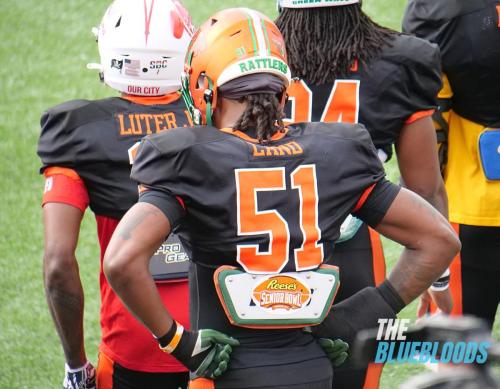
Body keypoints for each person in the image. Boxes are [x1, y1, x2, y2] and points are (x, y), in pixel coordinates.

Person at [103, 7, 460, 389]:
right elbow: (438, 239)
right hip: (312, 370)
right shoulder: (336, 150)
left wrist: (176, 340)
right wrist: (365, 310)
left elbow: (122, 261)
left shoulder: (187, 158)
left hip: (226, 374)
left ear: (204, 87)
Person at [275, 1, 452, 387]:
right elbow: (425, 189)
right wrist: (437, 279)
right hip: (352, 260)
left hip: (256, 253)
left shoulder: (251, 55)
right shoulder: (400, 60)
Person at [37, 0, 194, 387]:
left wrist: (76, 367)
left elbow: (58, 263)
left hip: (134, 344)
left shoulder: (76, 128)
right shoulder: (219, 117)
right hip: (217, 339)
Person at [403, 0, 500, 331]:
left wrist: (430, 260)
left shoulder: (439, 13)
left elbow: (429, 131)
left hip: (471, 202)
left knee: (460, 358)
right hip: (469, 208)